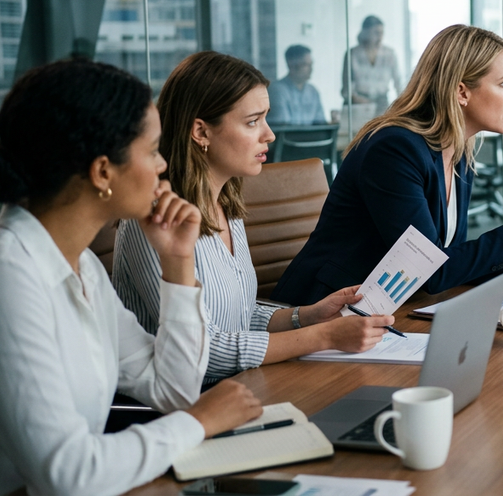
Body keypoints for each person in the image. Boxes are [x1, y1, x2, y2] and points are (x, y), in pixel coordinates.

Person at [0, 59, 261, 495]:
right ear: (103, 171)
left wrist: (178, 261)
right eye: (153, 150)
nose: (163, 166)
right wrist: (197, 422)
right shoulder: (12, 275)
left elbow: (173, 390)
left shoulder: (81, 267)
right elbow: (66, 474)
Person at [114, 51, 393, 384]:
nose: (269, 135)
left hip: (239, 383)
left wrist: (307, 316)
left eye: (266, 118)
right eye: (252, 122)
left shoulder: (227, 204)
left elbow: (238, 316)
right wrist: (326, 336)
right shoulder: (154, 221)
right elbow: (207, 350)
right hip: (181, 405)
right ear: (201, 132)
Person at [272, 24, 503, 306]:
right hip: (326, 311)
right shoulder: (394, 150)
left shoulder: (459, 155)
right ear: (461, 92)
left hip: (387, 308)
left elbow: (444, 259)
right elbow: (429, 271)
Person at [343, 15, 403, 115]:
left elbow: (398, 83)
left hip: (382, 105)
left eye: (381, 33)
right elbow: (346, 88)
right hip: (358, 106)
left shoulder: (389, 54)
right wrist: (358, 100)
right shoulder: (352, 54)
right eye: (376, 33)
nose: (380, 37)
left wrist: (402, 106)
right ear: (365, 33)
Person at [267, 44, 327, 126]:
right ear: (292, 65)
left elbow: (321, 125)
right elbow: (283, 129)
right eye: (306, 64)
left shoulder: (313, 92)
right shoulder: (277, 90)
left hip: (312, 139)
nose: (311, 69)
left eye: (311, 64)